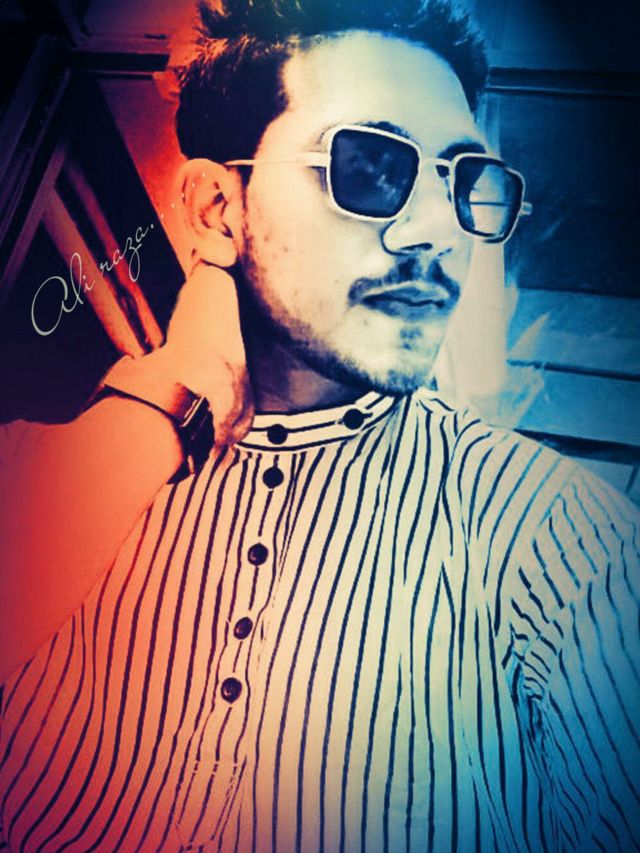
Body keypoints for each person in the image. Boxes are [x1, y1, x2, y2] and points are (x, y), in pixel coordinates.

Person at [1, 0, 638, 850]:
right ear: (217, 208)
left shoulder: (560, 535)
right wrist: (178, 389)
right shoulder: (46, 471)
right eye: (368, 165)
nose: (440, 231)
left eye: (461, 183)